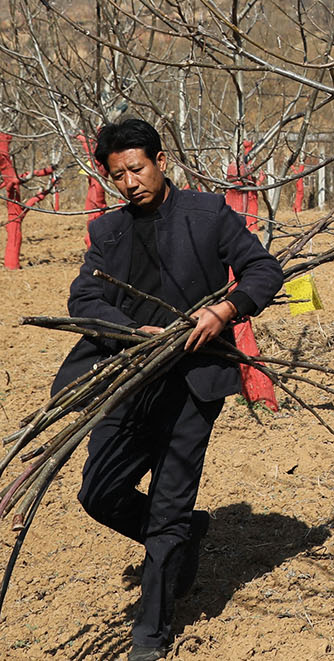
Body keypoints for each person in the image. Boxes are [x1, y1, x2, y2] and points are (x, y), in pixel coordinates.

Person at [52, 117, 284, 661]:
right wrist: (131, 333)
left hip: (193, 383)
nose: (128, 182)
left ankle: (150, 635)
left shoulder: (207, 215)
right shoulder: (106, 233)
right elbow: (84, 301)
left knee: (166, 508)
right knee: (99, 493)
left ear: (161, 161)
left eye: (136, 168)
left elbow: (262, 271)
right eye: (117, 175)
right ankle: (187, 533)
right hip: (128, 379)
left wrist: (224, 310)